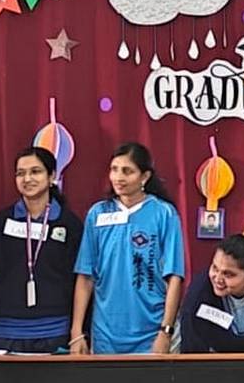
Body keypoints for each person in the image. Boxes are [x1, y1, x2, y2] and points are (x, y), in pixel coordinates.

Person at [70, 143, 186, 354]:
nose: (118, 177)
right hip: (106, 334)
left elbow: (174, 277)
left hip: (152, 332)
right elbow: (85, 276)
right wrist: (76, 332)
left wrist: (165, 331)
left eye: (127, 171)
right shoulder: (97, 214)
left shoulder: (164, 213)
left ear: (145, 177)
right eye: (114, 169)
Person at [0, 147, 85, 354]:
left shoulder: (69, 224)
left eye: (35, 172)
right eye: (20, 173)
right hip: (5, 334)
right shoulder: (1, 221)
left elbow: (81, 281)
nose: (27, 179)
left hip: (56, 332)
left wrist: (80, 333)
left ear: (52, 176)